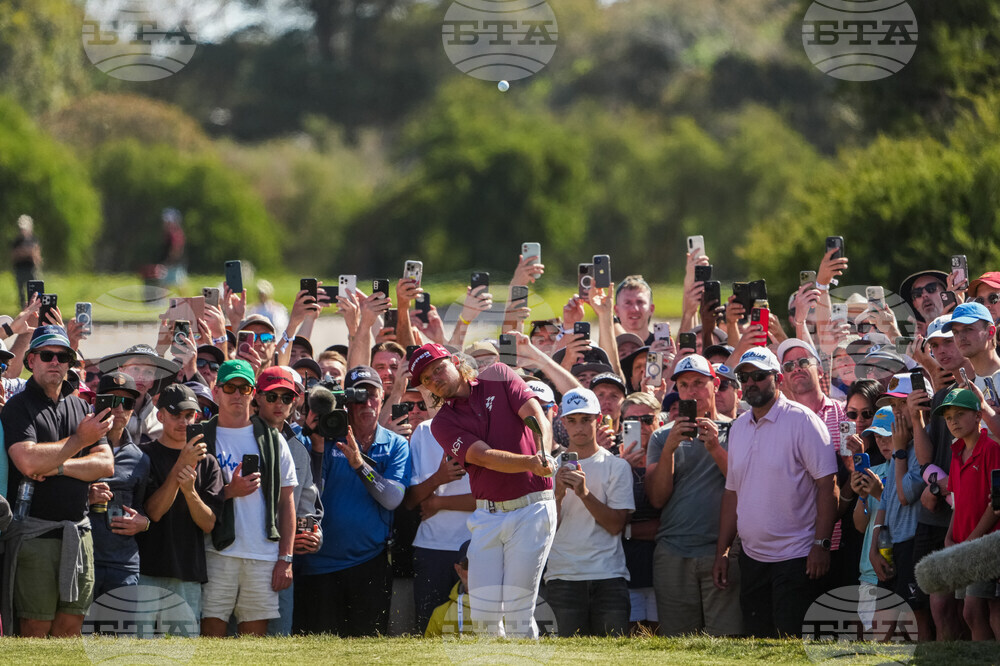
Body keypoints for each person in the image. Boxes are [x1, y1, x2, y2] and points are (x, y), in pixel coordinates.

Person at [411, 343, 555, 638]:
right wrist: (531, 462)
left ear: (455, 361)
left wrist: (544, 452)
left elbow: (535, 415)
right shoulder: (442, 423)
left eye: (438, 369)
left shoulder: (499, 375)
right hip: (487, 516)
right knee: (483, 615)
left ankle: (524, 658)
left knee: (517, 609)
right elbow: (484, 456)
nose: (435, 379)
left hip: (532, 508)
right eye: (426, 379)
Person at [712, 348, 837, 637]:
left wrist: (821, 544)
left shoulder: (804, 421)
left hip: (797, 557)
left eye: (759, 376)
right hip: (752, 558)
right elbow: (732, 492)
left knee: (790, 644)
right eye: (744, 377)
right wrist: (723, 551)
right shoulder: (739, 427)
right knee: (758, 642)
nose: (750, 382)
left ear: (778, 379)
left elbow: (828, 486)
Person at [1, 325, 114, 637]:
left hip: (79, 532)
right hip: (34, 534)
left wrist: (57, 467)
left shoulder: (82, 407)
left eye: (63, 357)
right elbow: (27, 461)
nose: (55, 362)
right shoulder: (18, 407)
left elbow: (105, 464)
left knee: (71, 625)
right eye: (47, 355)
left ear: (70, 363)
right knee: (34, 626)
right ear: (31, 360)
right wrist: (79, 441)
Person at [295, 366, 411, 636]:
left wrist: (359, 465)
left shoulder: (395, 444)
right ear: (346, 401)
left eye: (373, 395)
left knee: (367, 649)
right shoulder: (324, 436)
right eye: (359, 397)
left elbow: (392, 499)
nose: (367, 403)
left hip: (369, 563)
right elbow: (310, 493)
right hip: (318, 564)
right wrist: (315, 443)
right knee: (318, 649)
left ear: (382, 397)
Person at [200, 360, 298, 637]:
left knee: (253, 643)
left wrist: (286, 559)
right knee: (210, 637)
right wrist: (229, 492)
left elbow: (286, 504)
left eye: (244, 388)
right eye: (229, 387)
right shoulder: (201, 435)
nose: (237, 394)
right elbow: (188, 495)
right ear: (216, 391)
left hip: (262, 554)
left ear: (253, 393)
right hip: (214, 551)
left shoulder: (273, 439)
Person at [645, 355, 741, 636]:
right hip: (674, 552)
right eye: (684, 385)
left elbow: (745, 486)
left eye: (699, 383)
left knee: (725, 642)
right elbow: (657, 499)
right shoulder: (662, 437)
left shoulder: (738, 430)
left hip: (722, 550)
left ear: (716, 385)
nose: (691, 391)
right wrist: (669, 450)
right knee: (678, 645)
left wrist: (715, 448)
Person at [139, 383, 224, 635]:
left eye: (189, 415)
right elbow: (153, 512)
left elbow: (208, 524)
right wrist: (180, 467)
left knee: (181, 651)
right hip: (146, 569)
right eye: (176, 414)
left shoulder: (208, 463)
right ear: (160, 416)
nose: (183, 422)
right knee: (138, 650)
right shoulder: (143, 455)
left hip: (187, 572)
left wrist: (190, 492)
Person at [252, 366, 323, 636]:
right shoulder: (238, 436)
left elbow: (307, 507)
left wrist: (314, 534)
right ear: (257, 397)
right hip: (241, 553)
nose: (280, 404)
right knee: (235, 642)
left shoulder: (299, 449)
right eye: (272, 397)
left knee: (278, 641)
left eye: (287, 397)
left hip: (281, 559)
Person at [404, 392, 474, 632]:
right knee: (428, 630)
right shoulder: (423, 432)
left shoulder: (486, 429)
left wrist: (438, 503)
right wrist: (439, 478)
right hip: (431, 549)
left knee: (480, 633)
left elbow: (491, 499)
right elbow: (410, 501)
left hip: (476, 545)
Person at [938, 388, 1000, 640]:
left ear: (977, 415)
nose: (953, 421)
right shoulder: (956, 453)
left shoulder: (992, 449)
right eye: (948, 417)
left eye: (960, 414)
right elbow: (958, 503)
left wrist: (972, 540)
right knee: (975, 612)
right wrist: (949, 537)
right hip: (965, 546)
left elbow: (996, 504)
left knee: (977, 611)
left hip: (985, 544)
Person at [88, 371, 151, 599]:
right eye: (112, 401)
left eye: (127, 402)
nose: (120, 409)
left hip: (123, 563)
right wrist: (86, 496)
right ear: (97, 403)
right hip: (84, 559)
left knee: (118, 624)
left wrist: (144, 523)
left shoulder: (140, 458)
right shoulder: (78, 444)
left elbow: (142, 506)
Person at [618, 392, 662, 634]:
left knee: (662, 638)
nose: (641, 426)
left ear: (659, 422)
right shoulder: (612, 465)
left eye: (647, 419)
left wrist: (624, 530)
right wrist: (622, 471)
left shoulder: (672, 460)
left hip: (661, 567)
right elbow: (608, 520)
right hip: (625, 567)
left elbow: (666, 525)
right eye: (632, 421)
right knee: (630, 638)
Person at [424, 540, 474, 637]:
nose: (475, 571)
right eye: (468, 565)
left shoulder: (505, 608)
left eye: (482, 565)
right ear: (458, 570)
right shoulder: (441, 613)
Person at [11, 215, 41, 308]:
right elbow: (15, 254)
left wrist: (25, 252)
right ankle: (23, 309)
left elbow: (36, 254)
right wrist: (26, 252)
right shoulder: (17, 241)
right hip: (20, 268)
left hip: (31, 268)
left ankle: (34, 308)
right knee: (21, 292)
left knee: (34, 290)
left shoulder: (33, 240)